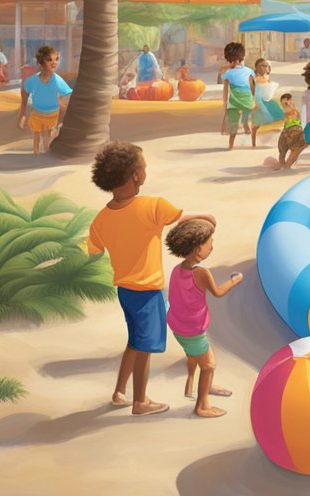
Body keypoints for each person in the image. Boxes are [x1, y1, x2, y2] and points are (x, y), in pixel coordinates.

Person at [88, 141, 214, 416]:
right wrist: (208, 217)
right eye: (143, 167)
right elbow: (183, 218)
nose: (145, 171)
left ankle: (120, 391)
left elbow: (92, 249)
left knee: (134, 341)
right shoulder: (153, 206)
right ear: (135, 175)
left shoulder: (101, 219)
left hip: (125, 291)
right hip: (147, 291)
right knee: (144, 347)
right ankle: (140, 401)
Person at [165, 218, 242, 418]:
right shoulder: (201, 273)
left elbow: (174, 297)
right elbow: (217, 292)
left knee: (194, 355)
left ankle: (192, 383)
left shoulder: (177, 270)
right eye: (210, 243)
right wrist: (234, 281)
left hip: (177, 326)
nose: (212, 246)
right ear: (198, 249)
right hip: (193, 330)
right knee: (208, 365)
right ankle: (202, 405)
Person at [18, 45, 71, 155]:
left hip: (53, 114)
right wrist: (22, 114)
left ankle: (47, 151)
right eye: (49, 60)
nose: (54, 63)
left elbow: (67, 95)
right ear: (41, 63)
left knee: (48, 135)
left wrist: (63, 106)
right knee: (37, 134)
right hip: (37, 113)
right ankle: (36, 153)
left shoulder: (57, 80)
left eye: (56, 59)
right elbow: (24, 91)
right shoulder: (33, 80)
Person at [218, 42, 256, 150]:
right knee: (245, 112)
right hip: (247, 102)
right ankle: (245, 124)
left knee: (233, 124)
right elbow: (252, 87)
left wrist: (225, 104)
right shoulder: (249, 71)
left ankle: (231, 146)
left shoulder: (228, 73)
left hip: (234, 103)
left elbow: (225, 90)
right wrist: (253, 99)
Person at [250, 58, 283, 147]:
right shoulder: (253, 76)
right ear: (257, 67)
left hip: (267, 100)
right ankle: (253, 143)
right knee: (256, 125)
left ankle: (280, 140)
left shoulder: (267, 75)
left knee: (280, 116)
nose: (265, 68)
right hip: (258, 101)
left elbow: (268, 88)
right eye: (263, 65)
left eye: (266, 66)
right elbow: (252, 90)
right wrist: (254, 103)